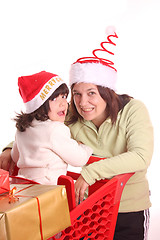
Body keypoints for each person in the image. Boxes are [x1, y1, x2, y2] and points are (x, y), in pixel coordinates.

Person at [0, 30, 153, 240]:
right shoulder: (72, 115)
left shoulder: (133, 110)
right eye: (77, 94)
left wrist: (91, 173)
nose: (82, 103)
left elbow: (141, 156)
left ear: (107, 92)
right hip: (92, 211)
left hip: (129, 209)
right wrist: (10, 148)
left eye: (91, 93)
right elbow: (40, 127)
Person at [9, 71, 93, 184]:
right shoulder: (55, 129)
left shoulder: (22, 129)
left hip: (23, 187)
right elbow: (79, 159)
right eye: (54, 99)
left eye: (64, 96)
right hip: (49, 191)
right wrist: (85, 148)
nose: (63, 103)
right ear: (39, 105)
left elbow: (15, 157)